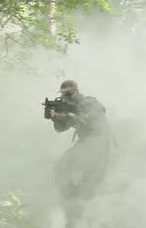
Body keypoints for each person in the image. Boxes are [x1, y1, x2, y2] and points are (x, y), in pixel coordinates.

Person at [45, 80, 111, 211]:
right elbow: (60, 128)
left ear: (76, 91)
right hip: (85, 142)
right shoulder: (69, 108)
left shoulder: (90, 102)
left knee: (92, 182)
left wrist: (65, 114)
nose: (66, 97)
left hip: (99, 142)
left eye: (69, 94)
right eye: (63, 95)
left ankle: (88, 212)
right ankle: (68, 204)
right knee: (62, 167)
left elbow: (86, 119)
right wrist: (55, 117)